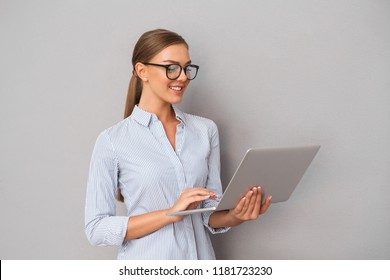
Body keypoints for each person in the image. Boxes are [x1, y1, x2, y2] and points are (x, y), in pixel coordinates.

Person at [85, 29, 272, 260]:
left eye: (187, 68)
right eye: (171, 68)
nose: (183, 76)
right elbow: (96, 229)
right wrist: (171, 214)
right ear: (142, 71)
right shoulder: (112, 141)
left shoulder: (205, 130)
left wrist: (238, 214)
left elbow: (208, 214)